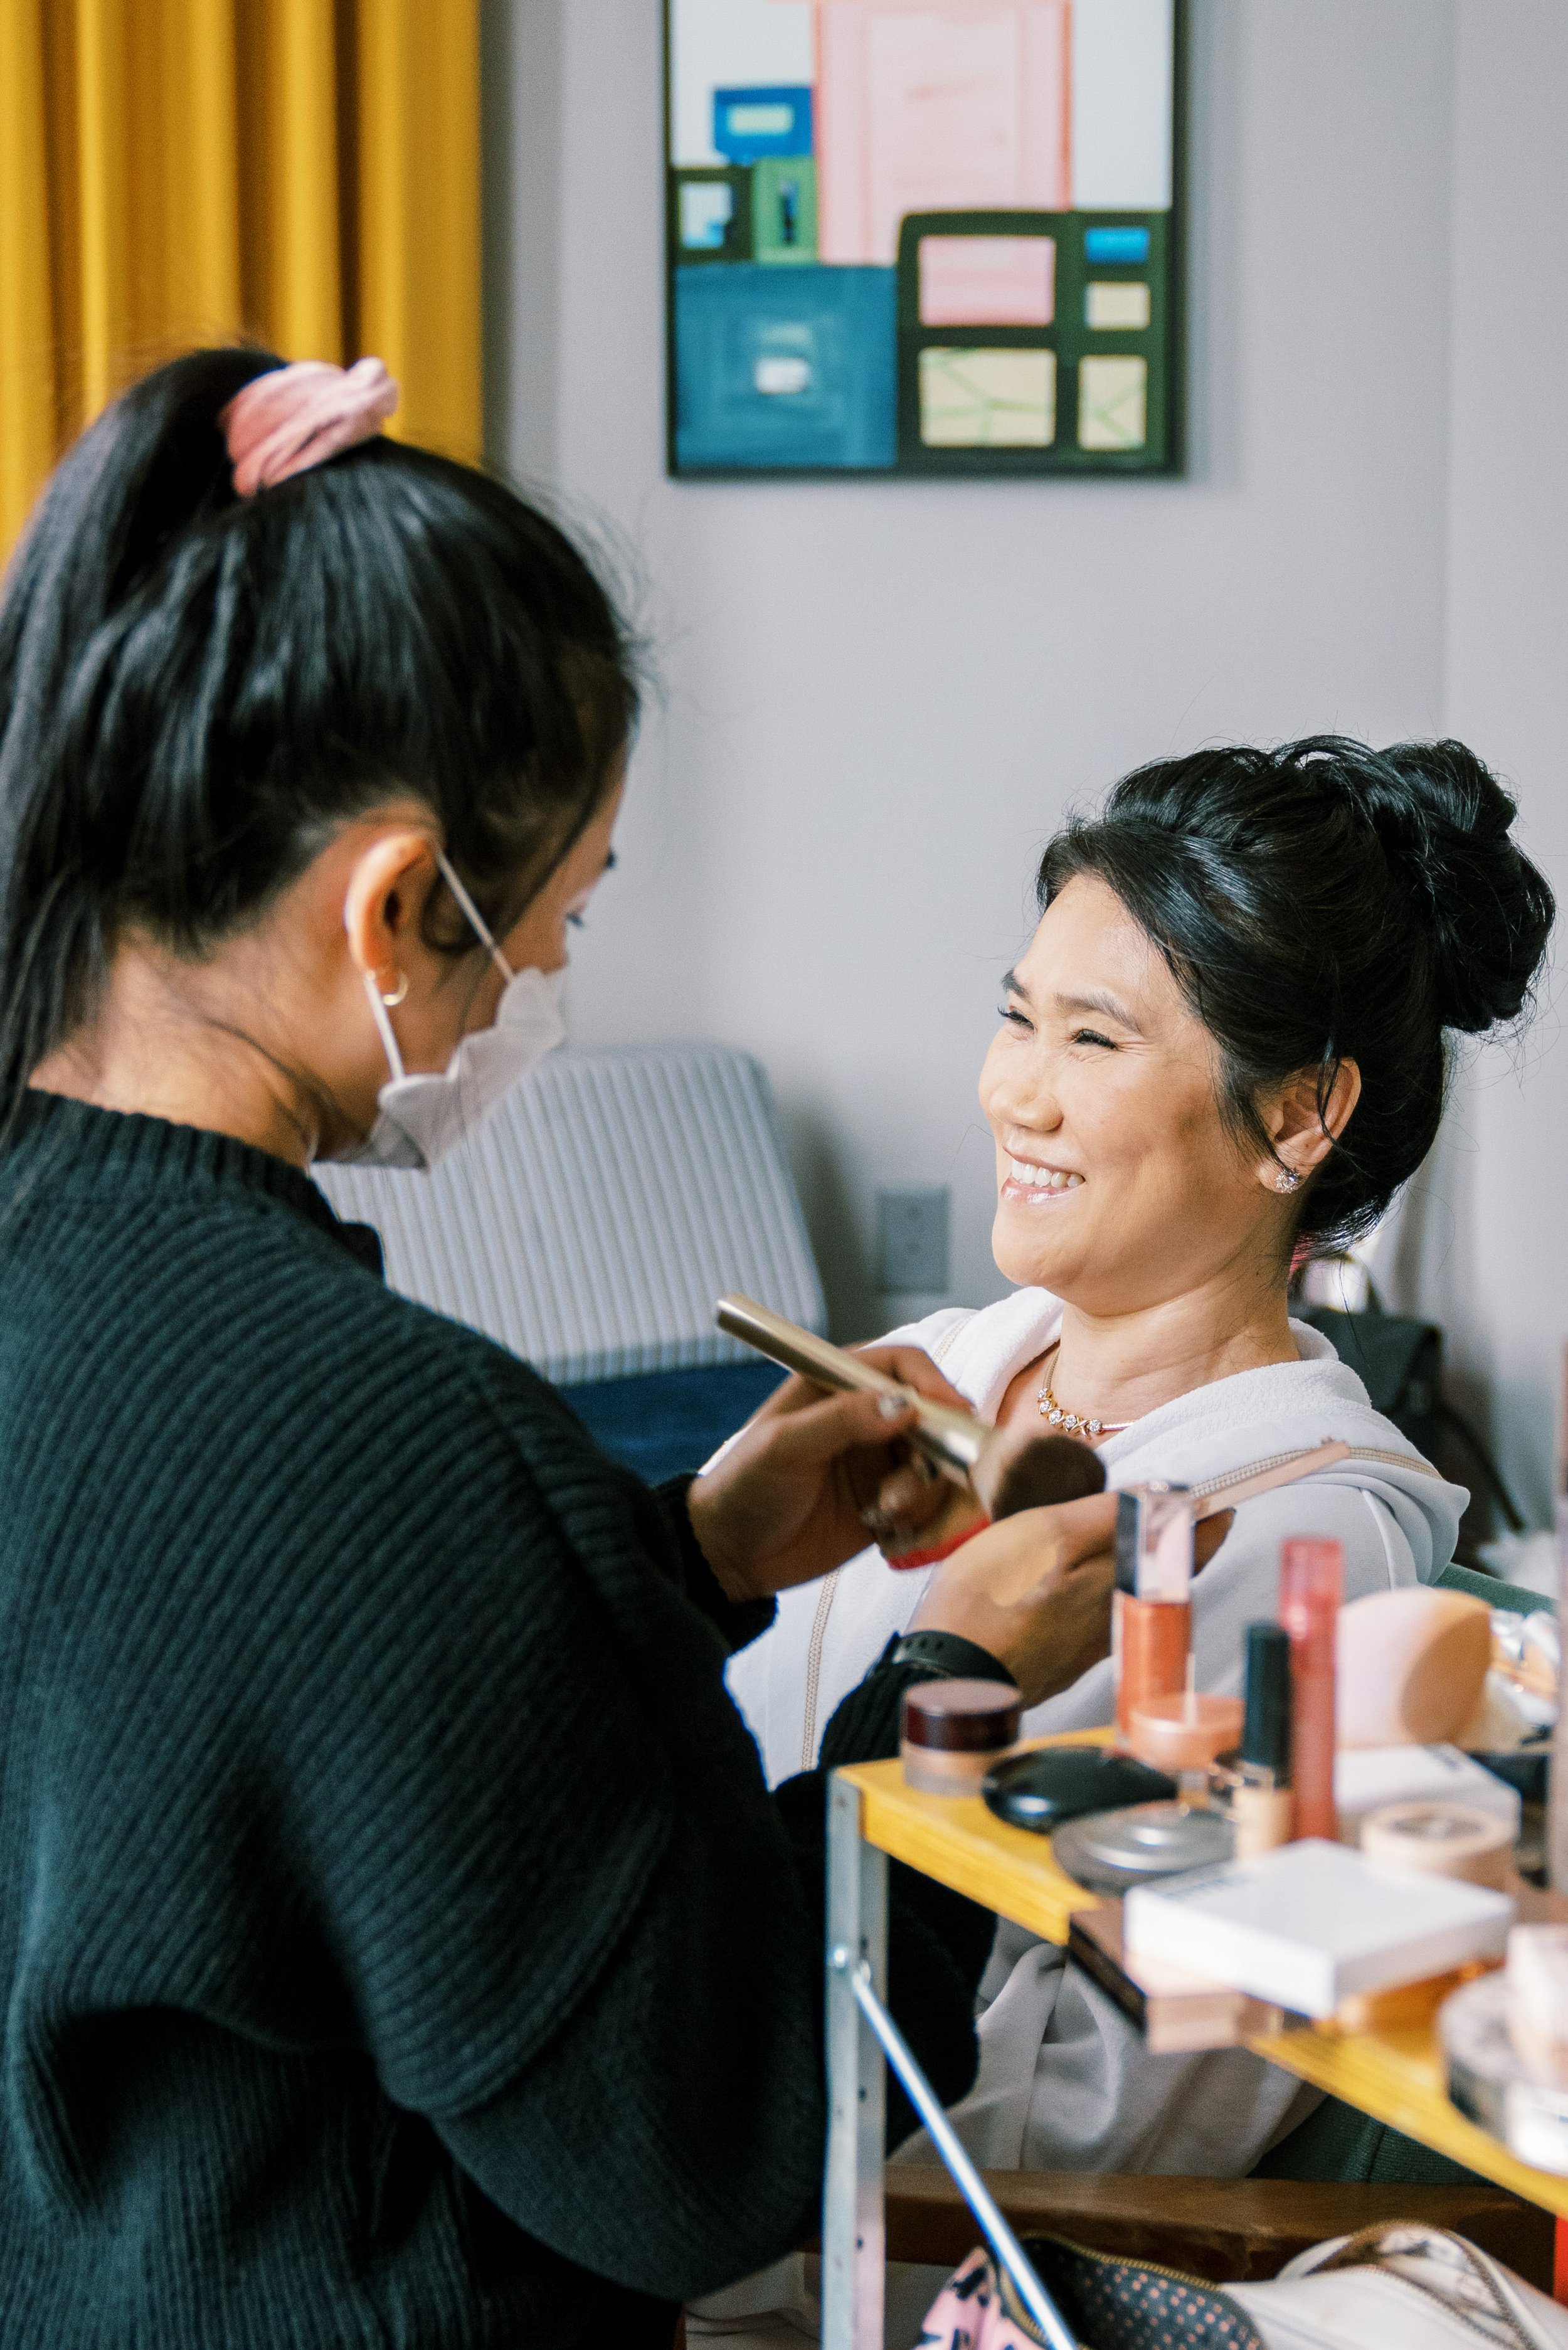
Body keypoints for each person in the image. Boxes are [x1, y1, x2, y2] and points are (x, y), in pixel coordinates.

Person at [0, 350, 1120, 2349]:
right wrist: (953, 1697)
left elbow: (235, 1718)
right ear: (398, 906)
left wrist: (673, 1550)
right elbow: (706, 2145)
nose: (557, 986)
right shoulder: (382, 1437)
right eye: (563, 921)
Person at [726, 736, 1554, 2188]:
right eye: (1014, 1016)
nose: (1014, 1094)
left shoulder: (1303, 1541)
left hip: (837, 2223)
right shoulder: (928, 1371)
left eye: (1092, 1041)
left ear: (1299, 1113)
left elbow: (1115, 2102)